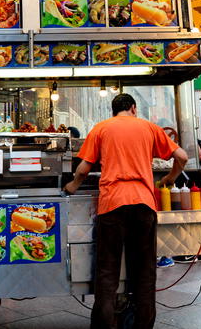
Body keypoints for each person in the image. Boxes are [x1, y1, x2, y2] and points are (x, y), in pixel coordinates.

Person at [63, 93, 187, 329]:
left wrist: (71, 187)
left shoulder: (101, 128)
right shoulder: (149, 128)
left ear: (113, 110)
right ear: (133, 108)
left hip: (112, 205)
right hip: (143, 204)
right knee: (144, 273)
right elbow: (181, 156)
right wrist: (170, 179)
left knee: (107, 273)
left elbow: (82, 170)